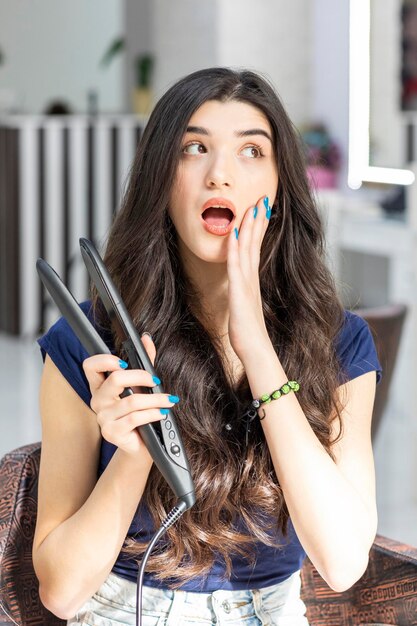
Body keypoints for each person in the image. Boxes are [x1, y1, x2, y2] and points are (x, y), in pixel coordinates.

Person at [33, 67, 382, 626]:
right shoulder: (88, 344)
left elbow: (342, 563)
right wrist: (135, 451)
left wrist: (259, 351)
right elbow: (61, 592)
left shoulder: (340, 343)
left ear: (279, 186)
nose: (220, 174)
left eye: (251, 151)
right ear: (161, 180)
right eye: (194, 148)